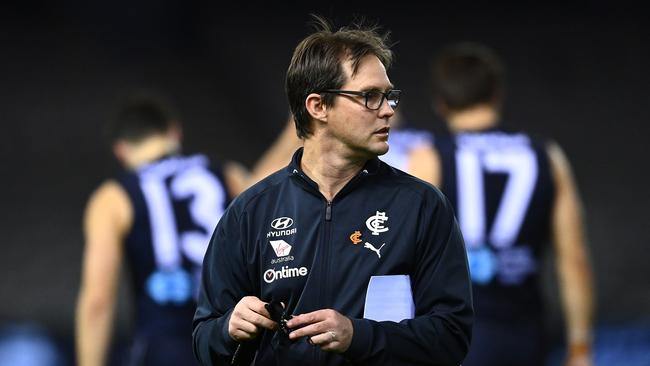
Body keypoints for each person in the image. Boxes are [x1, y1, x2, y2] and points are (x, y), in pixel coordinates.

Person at [192, 17, 473, 366]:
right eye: (370, 97)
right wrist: (227, 330)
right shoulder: (251, 211)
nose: (387, 110)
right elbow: (204, 340)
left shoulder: (422, 206)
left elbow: (452, 337)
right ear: (318, 106)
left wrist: (358, 336)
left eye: (389, 97)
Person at [413, 42, 594, 366]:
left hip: (455, 336)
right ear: (497, 93)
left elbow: (402, 255)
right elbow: (574, 259)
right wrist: (580, 347)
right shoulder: (546, 155)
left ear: (440, 103)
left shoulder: (429, 158)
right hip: (527, 336)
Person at [76, 94, 249, 366]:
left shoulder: (112, 198)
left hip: (165, 345)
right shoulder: (227, 174)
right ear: (174, 132)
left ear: (121, 150)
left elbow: (98, 299)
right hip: (232, 341)